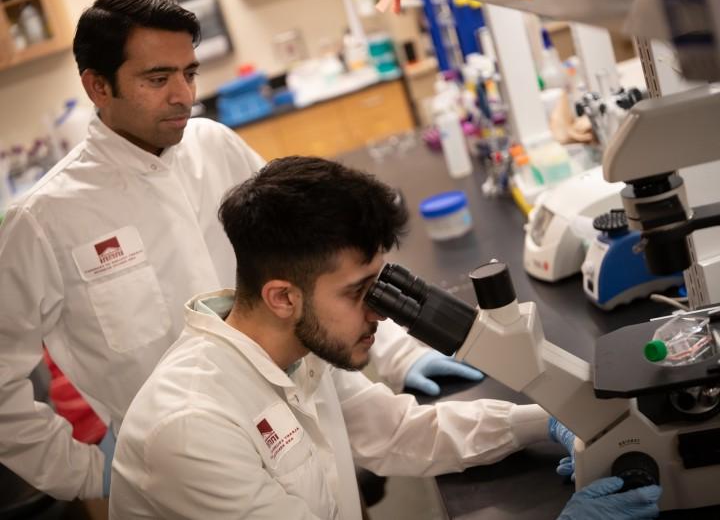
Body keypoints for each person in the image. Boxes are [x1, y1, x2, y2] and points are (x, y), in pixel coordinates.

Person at [0, 0, 480, 502]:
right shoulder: (43, 220)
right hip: (188, 477)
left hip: (302, 426)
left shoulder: (215, 145)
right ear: (98, 86)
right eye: (158, 79)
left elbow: (319, 261)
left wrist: (400, 354)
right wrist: (84, 474)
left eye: (189, 73)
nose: (183, 94)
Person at [109, 157, 661, 519]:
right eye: (358, 293)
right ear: (283, 296)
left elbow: (399, 433)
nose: (381, 313)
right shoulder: (191, 430)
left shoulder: (289, 349)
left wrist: (547, 421)